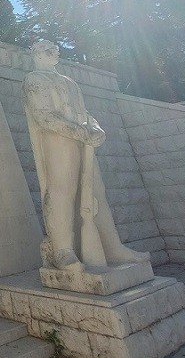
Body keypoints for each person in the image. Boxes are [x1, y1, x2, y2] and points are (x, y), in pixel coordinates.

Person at [23, 40, 149, 272]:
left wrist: (96, 128)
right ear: (37, 55)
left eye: (56, 50)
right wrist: (80, 131)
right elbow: (44, 116)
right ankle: (63, 251)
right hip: (58, 139)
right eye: (49, 50)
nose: (55, 53)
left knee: (95, 192)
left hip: (84, 138)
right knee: (62, 190)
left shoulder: (68, 81)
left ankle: (112, 246)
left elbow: (84, 113)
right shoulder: (34, 80)